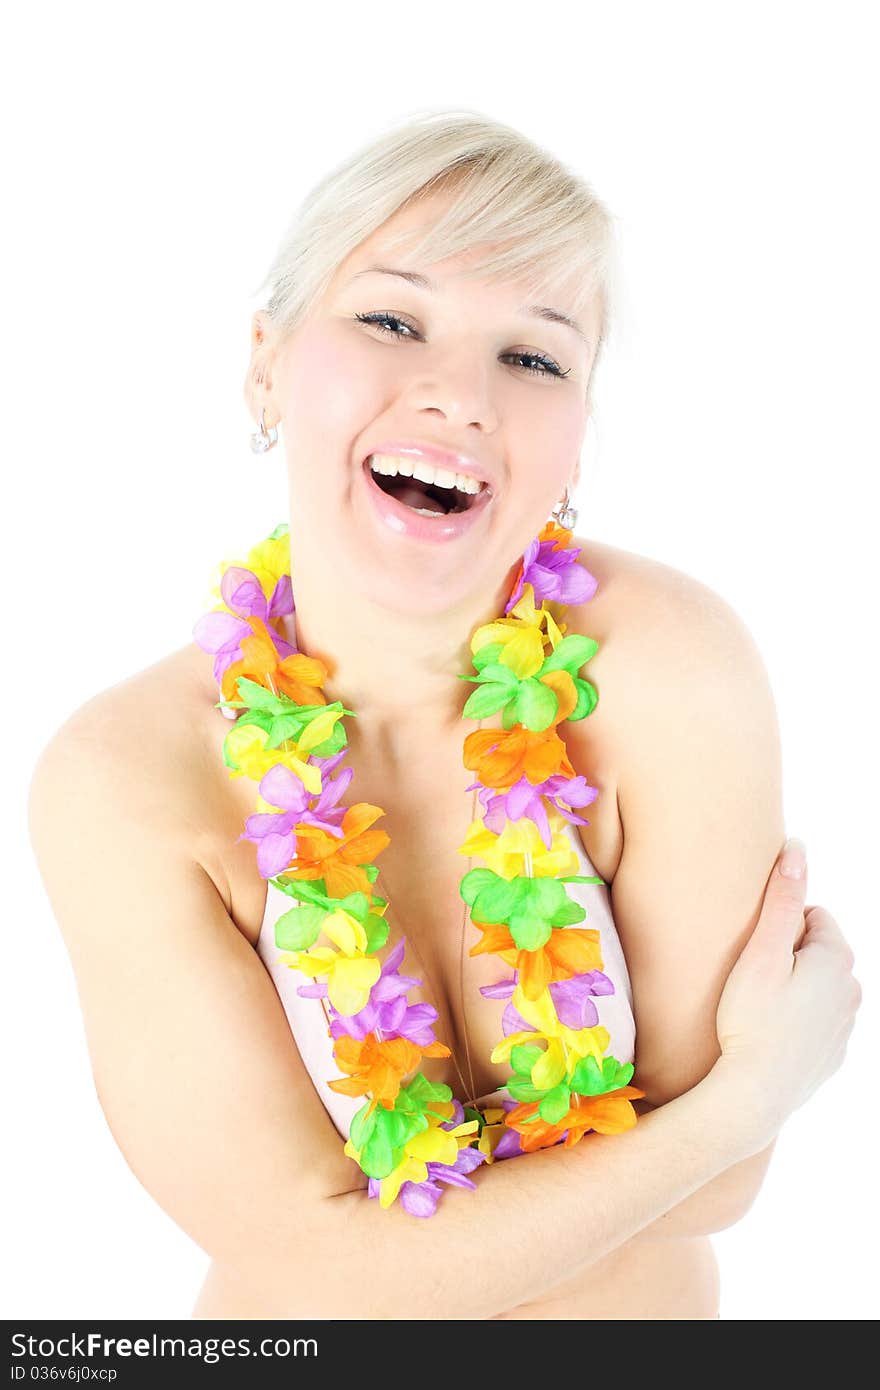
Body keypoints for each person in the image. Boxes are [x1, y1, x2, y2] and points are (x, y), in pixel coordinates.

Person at [27, 108, 861, 1321]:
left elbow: (722, 1193)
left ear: (576, 435)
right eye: (390, 318)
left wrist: (730, 1140)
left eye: (535, 356)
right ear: (265, 360)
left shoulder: (669, 667)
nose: (460, 394)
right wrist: (749, 1097)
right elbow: (316, 1265)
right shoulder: (126, 778)